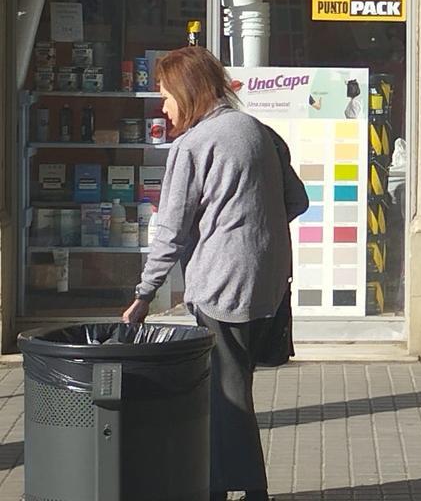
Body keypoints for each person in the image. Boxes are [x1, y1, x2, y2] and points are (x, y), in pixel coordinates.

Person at [123, 46, 308, 501]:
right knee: (231, 384)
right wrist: (253, 226)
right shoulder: (258, 131)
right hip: (266, 282)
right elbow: (297, 200)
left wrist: (145, 293)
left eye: (166, 96)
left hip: (223, 284)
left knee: (227, 394)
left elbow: (171, 229)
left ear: (188, 92)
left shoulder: (194, 145)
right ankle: (220, 484)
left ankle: (245, 488)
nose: (163, 108)